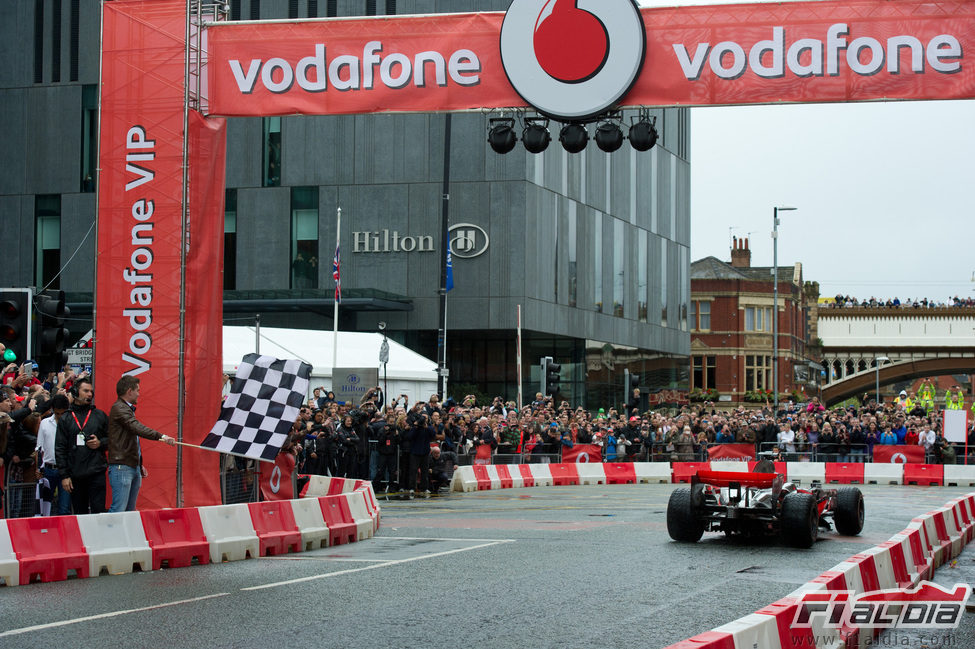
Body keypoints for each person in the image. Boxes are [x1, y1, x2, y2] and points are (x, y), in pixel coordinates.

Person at [107, 375, 176, 512]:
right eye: (137, 390)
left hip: (131, 466)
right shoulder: (119, 408)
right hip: (122, 467)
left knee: (129, 511)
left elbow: (133, 437)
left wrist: (138, 463)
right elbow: (137, 427)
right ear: (129, 391)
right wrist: (161, 436)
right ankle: (109, 533)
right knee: (118, 510)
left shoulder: (125, 409)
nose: (139, 394)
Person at [55, 377, 109, 515]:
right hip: (75, 475)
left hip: (96, 472)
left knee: (99, 512)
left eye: (91, 391)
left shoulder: (99, 415)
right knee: (80, 513)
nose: (89, 394)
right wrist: (64, 475)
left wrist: (100, 443)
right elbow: (60, 448)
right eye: (85, 391)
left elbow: (113, 440)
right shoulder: (66, 418)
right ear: (75, 392)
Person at [35, 394, 71, 515]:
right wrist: (38, 467)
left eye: (63, 413)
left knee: (64, 507)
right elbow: (39, 447)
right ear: (53, 411)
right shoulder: (45, 423)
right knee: (45, 506)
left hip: (65, 470)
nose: (60, 416)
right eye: (57, 413)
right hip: (48, 469)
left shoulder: (70, 424)